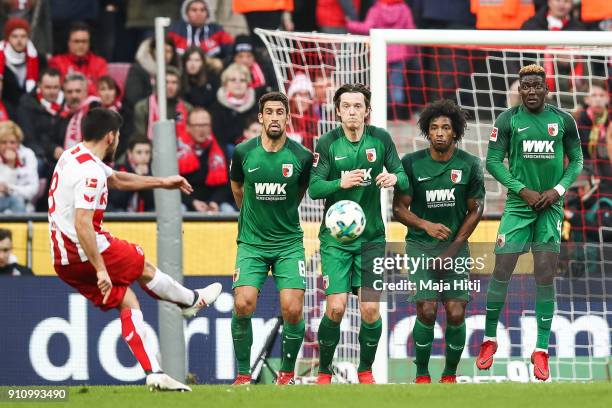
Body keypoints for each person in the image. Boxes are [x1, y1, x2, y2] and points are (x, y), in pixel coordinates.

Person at [48, 107, 222, 390]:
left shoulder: (74, 156)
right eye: (116, 135)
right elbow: (83, 224)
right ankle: (191, 301)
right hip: (84, 249)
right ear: (110, 136)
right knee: (141, 262)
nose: (117, 140)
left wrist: (163, 182)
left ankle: (154, 372)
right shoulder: (90, 172)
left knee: (128, 302)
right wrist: (101, 269)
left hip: (63, 258)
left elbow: (116, 178)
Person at [477, 64, 583, 381]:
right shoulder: (507, 120)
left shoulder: (563, 121)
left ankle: (540, 350)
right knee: (503, 267)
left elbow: (576, 160)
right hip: (518, 205)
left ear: (546, 89)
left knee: (545, 273)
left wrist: (557, 190)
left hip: (551, 206)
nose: (532, 91)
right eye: (526, 87)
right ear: (519, 90)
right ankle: (489, 339)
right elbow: (493, 161)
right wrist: (521, 190)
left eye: (537, 86)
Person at [309, 83, 408, 384]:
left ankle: (365, 371)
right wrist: (340, 182)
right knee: (336, 307)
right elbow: (314, 188)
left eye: (358, 106)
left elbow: (402, 175)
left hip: (372, 239)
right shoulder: (327, 143)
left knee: (369, 310)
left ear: (367, 111)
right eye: (347, 107)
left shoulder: (380, 139)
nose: (352, 112)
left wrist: (393, 177)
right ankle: (324, 371)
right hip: (336, 241)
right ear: (337, 111)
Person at [393, 99, 485, 383]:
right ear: (427, 132)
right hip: (420, 246)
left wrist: (453, 249)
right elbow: (398, 209)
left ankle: (449, 376)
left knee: (456, 312)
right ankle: (421, 375)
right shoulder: (410, 163)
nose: (440, 132)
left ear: (455, 132)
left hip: (455, 248)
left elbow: (476, 209)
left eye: (446, 127)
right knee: (428, 309)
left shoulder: (469, 164)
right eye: (434, 128)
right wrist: (426, 225)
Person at [229, 92, 313, 385]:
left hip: (288, 243)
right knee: (243, 303)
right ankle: (242, 375)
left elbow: (299, 192)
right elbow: (237, 187)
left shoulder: (301, 156)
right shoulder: (243, 153)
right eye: (270, 112)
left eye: (281, 112)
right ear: (260, 117)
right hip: (251, 243)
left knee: (292, 307)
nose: (275, 117)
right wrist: (250, 219)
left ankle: (287, 374)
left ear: (287, 118)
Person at [178, 107, 231, 213]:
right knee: (179, 210)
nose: (202, 129)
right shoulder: (177, 150)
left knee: (228, 211)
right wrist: (193, 202)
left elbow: (229, 183)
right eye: (197, 125)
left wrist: (215, 201)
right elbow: (172, 185)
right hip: (186, 202)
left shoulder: (221, 149)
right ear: (187, 127)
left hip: (214, 202)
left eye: (205, 125)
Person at [16, 67, 64, 176]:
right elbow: (28, 138)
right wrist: (51, 150)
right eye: (48, 87)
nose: (52, 92)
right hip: (38, 153)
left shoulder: (66, 104)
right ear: (39, 85)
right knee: (38, 165)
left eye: (55, 87)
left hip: (62, 154)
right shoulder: (27, 104)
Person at [209, 62, 257, 159]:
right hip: (225, 154)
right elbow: (218, 139)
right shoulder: (216, 107)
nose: (238, 83)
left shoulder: (257, 106)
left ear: (248, 84)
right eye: (233, 80)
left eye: (242, 80)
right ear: (225, 84)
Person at [133, 66, 192, 142]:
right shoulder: (142, 107)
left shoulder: (187, 108)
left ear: (179, 86)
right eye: (166, 82)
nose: (170, 86)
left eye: (174, 82)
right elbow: (140, 138)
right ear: (158, 84)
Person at [48, 21, 108, 95]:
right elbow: (56, 89)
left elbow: (103, 91)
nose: (81, 45)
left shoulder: (100, 63)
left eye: (84, 41)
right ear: (68, 43)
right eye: (76, 41)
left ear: (89, 43)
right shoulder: (56, 62)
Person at [167, 0, 234, 63]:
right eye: (194, 10)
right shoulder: (176, 31)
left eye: (202, 10)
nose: (198, 13)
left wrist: (221, 63)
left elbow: (231, 53)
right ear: (186, 13)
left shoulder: (217, 31)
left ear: (207, 14)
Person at [0, 17, 41, 117]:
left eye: (23, 36)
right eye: (15, 36)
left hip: (29, 108)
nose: (19, 40)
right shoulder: (1, 56)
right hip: (6, 108)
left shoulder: (37, 58)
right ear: (8, 38)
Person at [0, 120, 38, 213]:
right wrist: (10, 165)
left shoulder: (28, 155)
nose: (8, 146)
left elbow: (33, 190)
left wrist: (10, 189)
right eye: (4, 142)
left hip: (23, 205)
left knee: (16, 201)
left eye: (12, 142)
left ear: (18, 143)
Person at [108, 138, 154, 212]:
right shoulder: (120, 170)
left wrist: (145, 177)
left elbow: (152, 203)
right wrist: (136, 177)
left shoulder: (153, 171)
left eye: (147, 152)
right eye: (139, 152)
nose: (144, 156)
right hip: (123, 214)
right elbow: (116, 201)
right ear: (130, 154)